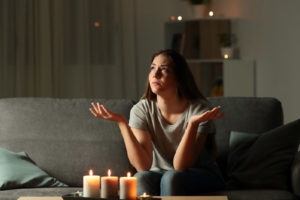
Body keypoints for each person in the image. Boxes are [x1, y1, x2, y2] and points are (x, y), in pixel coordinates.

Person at [89, 49, 225, 196]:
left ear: (179, 78)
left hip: (200, 174)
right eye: (153, 68)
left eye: (164, 69)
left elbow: (180, 166)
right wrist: (122, 123)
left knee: (171, 177)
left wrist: (192, 125)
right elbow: (142, 166)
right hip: (160, 174)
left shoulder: (199, 111)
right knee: (139, 178)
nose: (155, 74)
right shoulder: (142, 109)